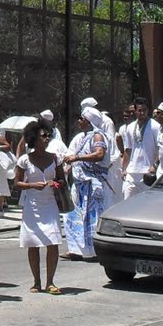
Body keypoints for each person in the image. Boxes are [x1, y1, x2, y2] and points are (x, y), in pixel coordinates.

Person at [16, 124, 64, 294]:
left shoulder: (55, 158)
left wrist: (55, 183)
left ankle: (50, 282)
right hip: (32, 204)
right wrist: (32, 185)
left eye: (48, 135)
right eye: (43, 135)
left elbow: (62, 180)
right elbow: (17, 183)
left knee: (53, 242)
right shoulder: (24, 160)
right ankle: (36, 281)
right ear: (34, 138)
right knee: (33, 243)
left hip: (50, 203)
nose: (47, 138)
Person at [63, 108, 110, 261]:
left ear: (90, 121)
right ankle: (76, 250)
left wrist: (77, 158)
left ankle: (93, 251)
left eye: (82, 119)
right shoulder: (82, 137)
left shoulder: (97, 136)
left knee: (91, 217)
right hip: (79, 184)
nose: (79, 121)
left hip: (91, 184)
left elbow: (99, 154)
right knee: (74, 217)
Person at [118, 97, 159, 200]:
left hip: (147, 172)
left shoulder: (155, 126)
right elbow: (128, 149)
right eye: (139, 110)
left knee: (146, 204)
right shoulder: (130, 127)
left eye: (144, 110)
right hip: (132, 171)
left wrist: (154, 166)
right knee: (127, 201)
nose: (142, 113)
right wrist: (124, 168)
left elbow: (159, 148)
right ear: (135, 111)